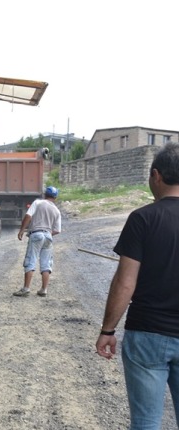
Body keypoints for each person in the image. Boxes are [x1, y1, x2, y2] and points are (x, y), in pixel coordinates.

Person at [96, 143, 179, 429]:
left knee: (146, 422)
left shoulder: (143, 218)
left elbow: (125, 282)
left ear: (156, 176)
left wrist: (108, 330)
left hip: (147, 335)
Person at [13, 186, 62, 297]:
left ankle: (26, 289)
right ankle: (43, 290)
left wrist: (22, 230)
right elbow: (57, 230)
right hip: (48, 237)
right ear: (55, 197)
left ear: (44, 194)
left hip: (36, 234)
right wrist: (48, 234)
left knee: (30, 260)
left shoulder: (38, 203)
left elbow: (28, 216)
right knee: (46, 264)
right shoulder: (56, 210)